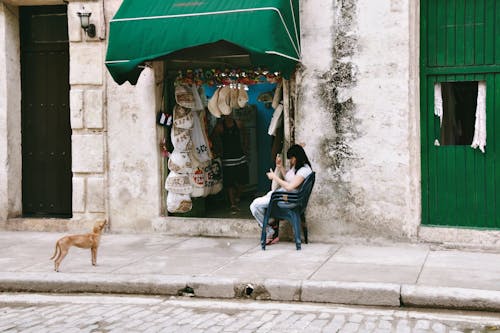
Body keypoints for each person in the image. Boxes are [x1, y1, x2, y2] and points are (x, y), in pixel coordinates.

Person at [249, 144, 313, 245]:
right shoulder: (302, 168)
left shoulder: (303, 171)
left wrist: (275, 177)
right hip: (283, 196)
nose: (290, 161)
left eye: (291, 159)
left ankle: (270, 229)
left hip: (286, 199)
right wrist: (280, 167)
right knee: (257, 206)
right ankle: (271, 224)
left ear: (295, 157)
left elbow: (289, 186)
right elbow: (289, 179)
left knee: (254, 205)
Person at [211, 113, 249, 214]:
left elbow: (245, 133)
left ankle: (237, 197)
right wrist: (217, 151)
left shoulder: (238, 123)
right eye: (226, 115)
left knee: (244, 181)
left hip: (240, 156)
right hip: (227, 159)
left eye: (230, 114)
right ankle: (233, 204)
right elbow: (212, 137)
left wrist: (245, 147)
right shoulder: (220, 127)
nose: (229, 116)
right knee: (229, 183)